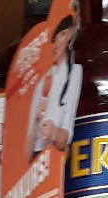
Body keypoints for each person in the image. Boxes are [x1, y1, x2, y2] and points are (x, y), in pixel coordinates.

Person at [27, 16, 80, 158]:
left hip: (51, 158)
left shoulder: (73, 73)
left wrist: (55, 133)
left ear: (70, 34)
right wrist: (35, 118)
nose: (55, 44)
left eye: (61, 34)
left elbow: (65, 138)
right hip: (29, 159)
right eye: (52, 38)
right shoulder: (34, 72)